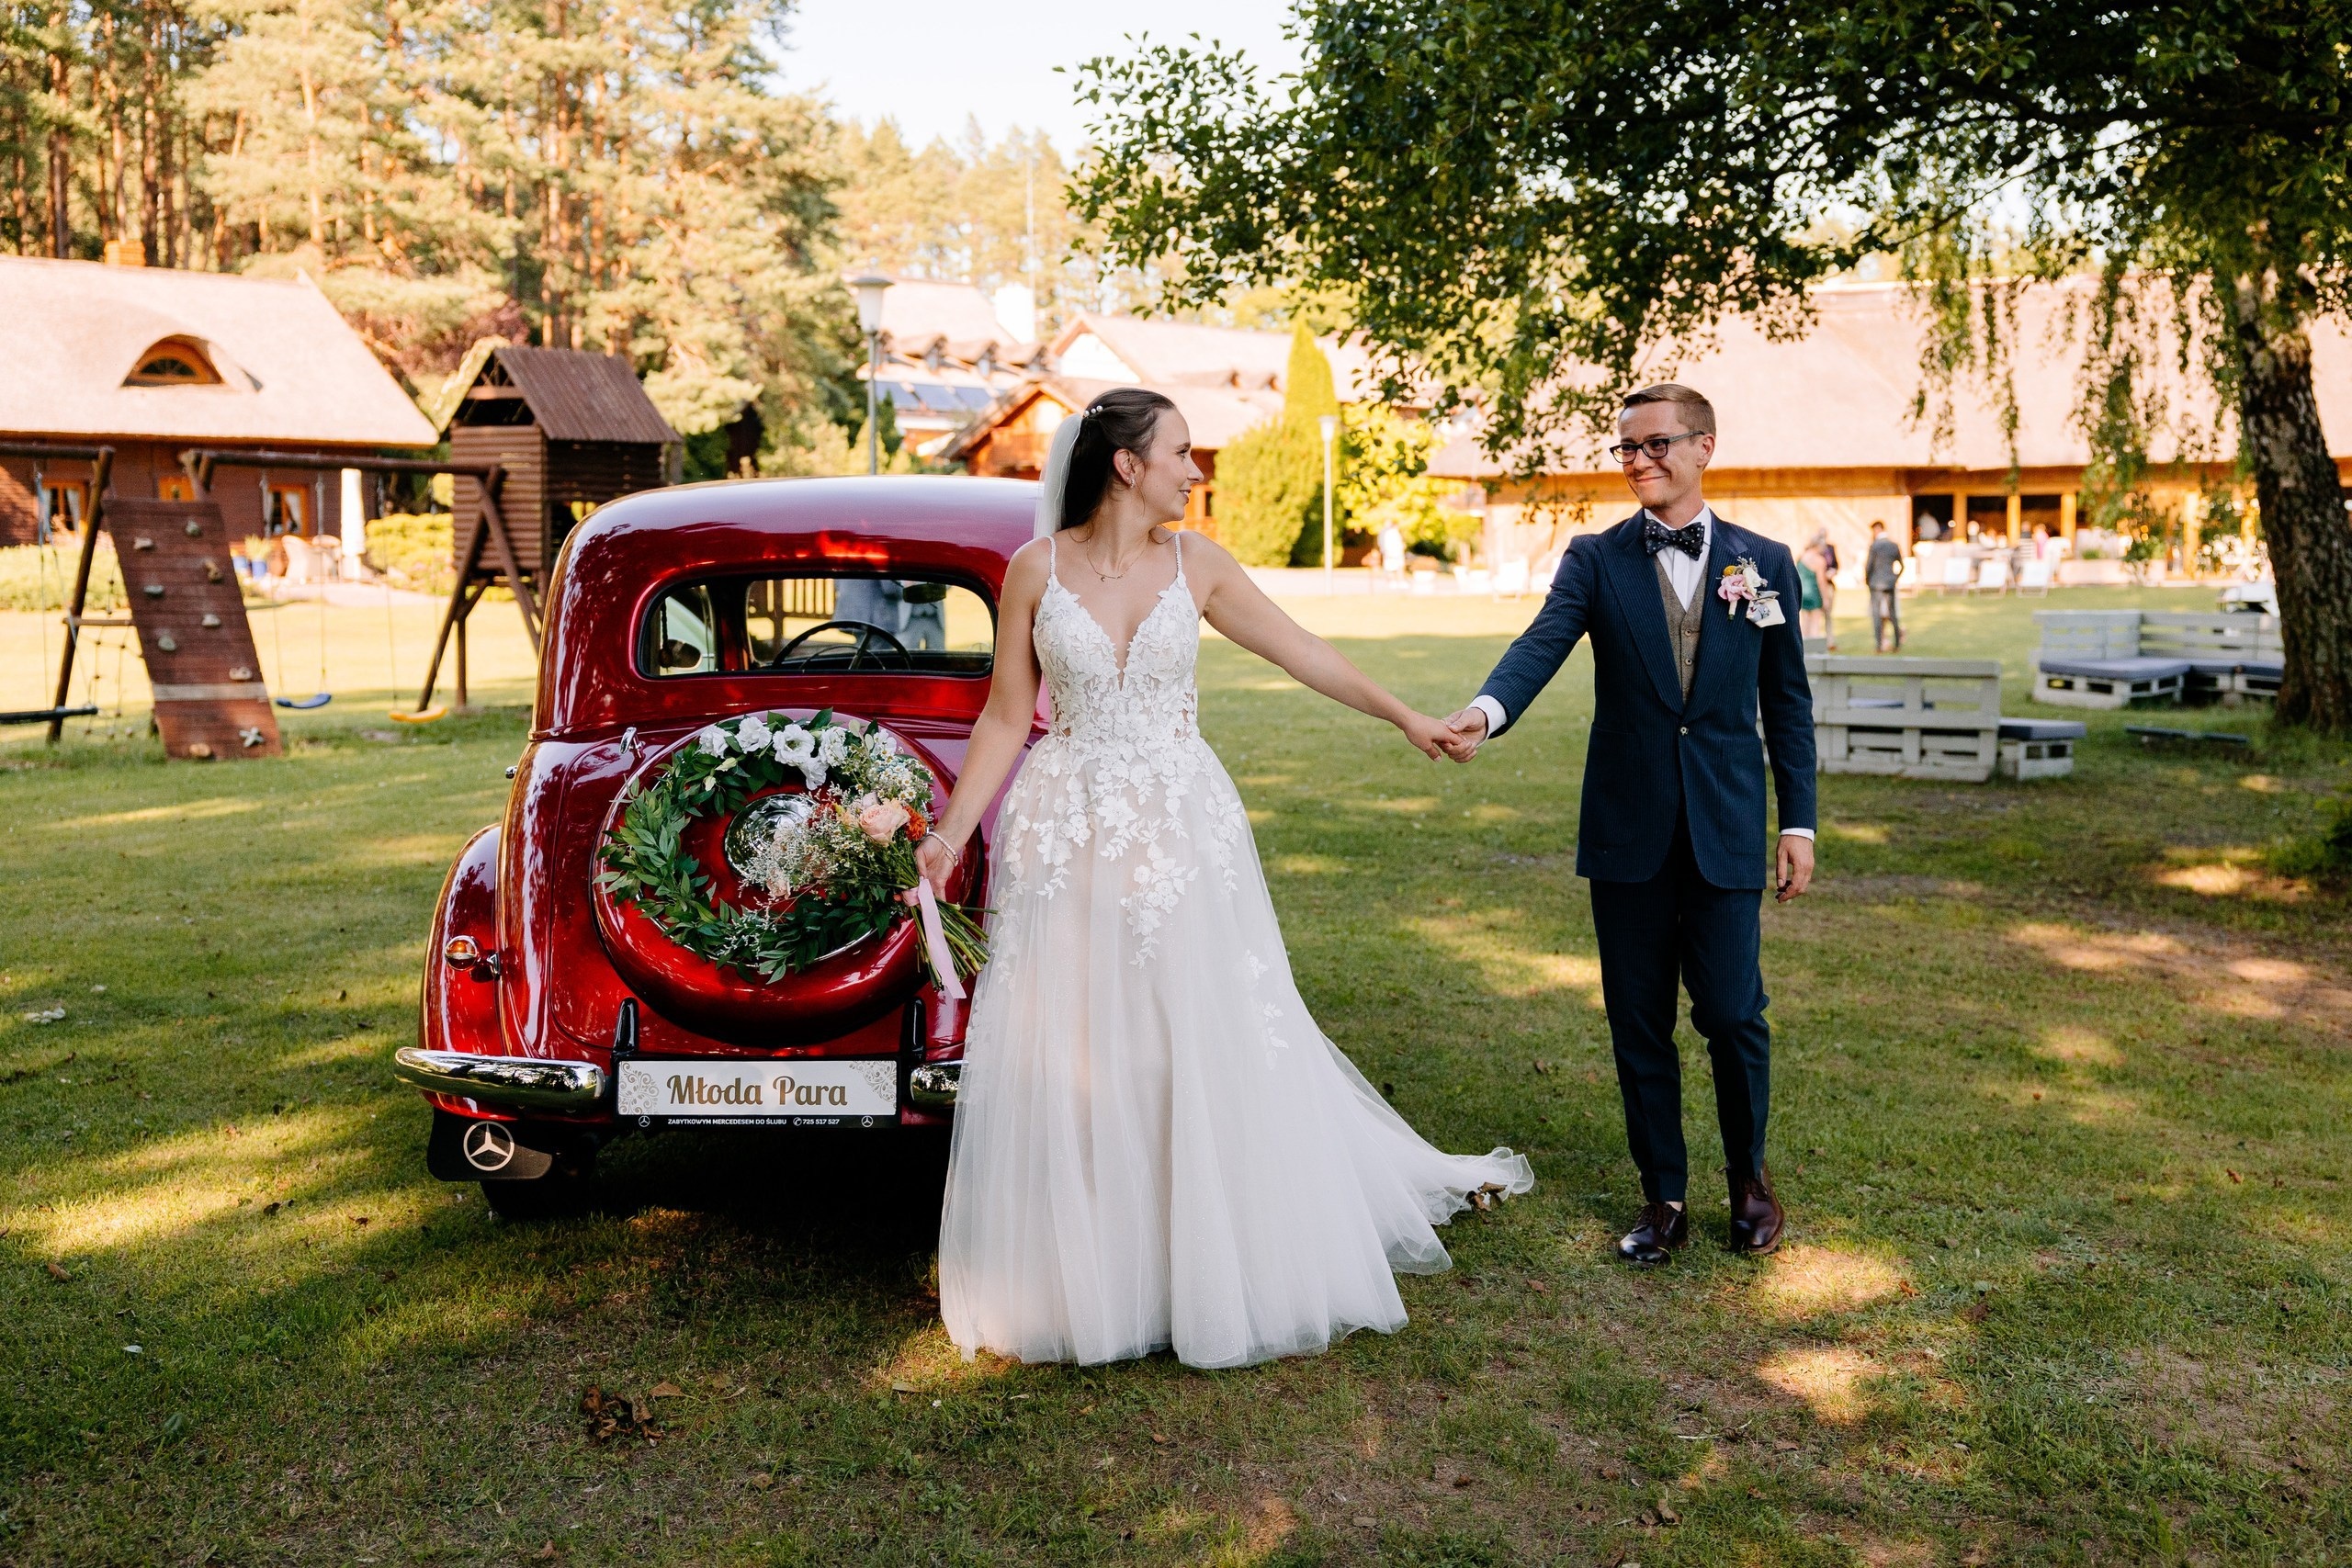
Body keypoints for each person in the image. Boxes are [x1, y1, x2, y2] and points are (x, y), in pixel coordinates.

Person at [917, 386, 1532, 1369]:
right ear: (1127, 465)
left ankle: (1206, 1257)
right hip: (1069, 829)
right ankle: (1095, 1273)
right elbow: (1003, 716)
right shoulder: (1035, 570)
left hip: (1179, 828)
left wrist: (1405, 717)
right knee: (1083, 1042)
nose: (1193, 471)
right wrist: (950, 833)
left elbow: (1303, 651)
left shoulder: (1195, 564)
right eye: (1181, 452)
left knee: (1191, 1032)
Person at [1436, 382, 1815, 1265]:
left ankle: (1749, 1180)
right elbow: (1541, 644)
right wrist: (1485, 712)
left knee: (1732, 1012)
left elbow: (1788, 704)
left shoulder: (1765, 561)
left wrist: (1798, 822)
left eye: (1656, 444)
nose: (1639, 461)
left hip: (1726, 825)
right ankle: (1665, 1195)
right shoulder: (1595, 560)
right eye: (1626, 449)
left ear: (1704, 446)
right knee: (1638, 1021)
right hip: (1627, 830)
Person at [1866, 521, 1905, 651]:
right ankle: (1897, 644)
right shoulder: (1893, 545)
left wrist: (1868, 581)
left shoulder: (1874, 546)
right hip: (1890, 583)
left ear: (1878, 529)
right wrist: (1895, 578)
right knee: (1892, 613)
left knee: (1876, 614)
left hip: (1876, 584)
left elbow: (1869, 566)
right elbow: (1902, 565)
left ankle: (1879, 645)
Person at [1796, 534, 1829, 642]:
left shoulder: (1801, 557)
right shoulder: (1819, 560)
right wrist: (1825, 598)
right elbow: (1821, 581)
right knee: (1815, 623)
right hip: (1814, 593)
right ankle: (1814, 648)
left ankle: (1804, 648)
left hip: (1802, 593)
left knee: (1805, 623)